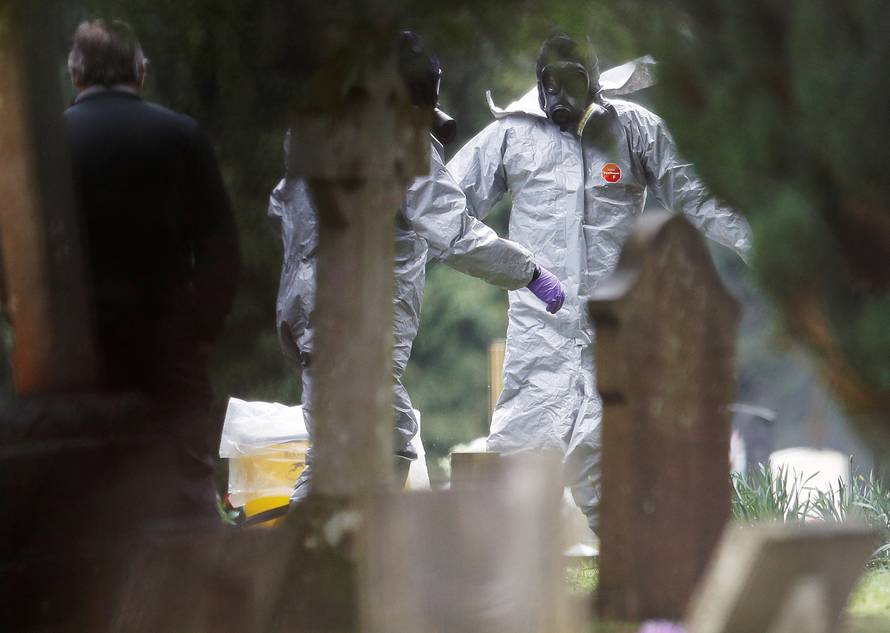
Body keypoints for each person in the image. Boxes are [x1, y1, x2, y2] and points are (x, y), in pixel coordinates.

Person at [446, 33, 752, 531]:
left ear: (595, 85)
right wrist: (508, 264)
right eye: (547, 84)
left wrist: (761, 246)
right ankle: (497, 594)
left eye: (571, 83)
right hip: (538, 336)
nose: (557, 97)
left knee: (614, 473)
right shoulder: (511, 137)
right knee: (516, 475)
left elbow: (697, 197)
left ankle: (638, 586)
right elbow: (442, 208)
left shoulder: (634, 131)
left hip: (615, 334)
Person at [269, 31, 565, 501]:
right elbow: (457, 233)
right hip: (356, 327)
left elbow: (282, 213)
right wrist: (529, 273)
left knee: (355, 450)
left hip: (307, 316)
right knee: (372, 449)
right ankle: (310, 563)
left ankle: (336, 563)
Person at [64, 20, 240, 518]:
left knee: (85, 503)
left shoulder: (47, 146)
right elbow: (221, 248)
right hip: (168, 353)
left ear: (75, 76)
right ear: (140, 72)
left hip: (75, 360)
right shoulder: (179, 136)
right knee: (183, 496)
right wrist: (199, 330)